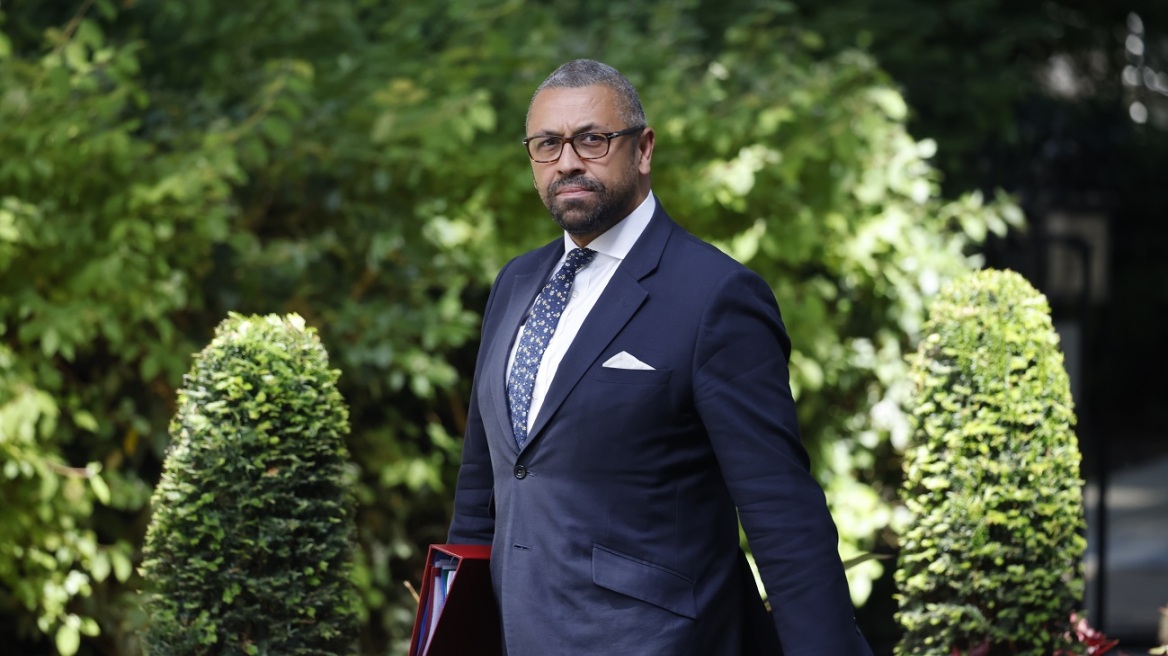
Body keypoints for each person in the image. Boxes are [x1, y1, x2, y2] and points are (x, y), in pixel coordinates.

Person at [447, 58, 874, 655]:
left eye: (592, 140)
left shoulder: (714, 296)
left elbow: (779, 507)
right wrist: (454, 628)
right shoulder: (515, 284)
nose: (567, 162)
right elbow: (481, 489)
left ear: (643, 149)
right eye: (547, 145)